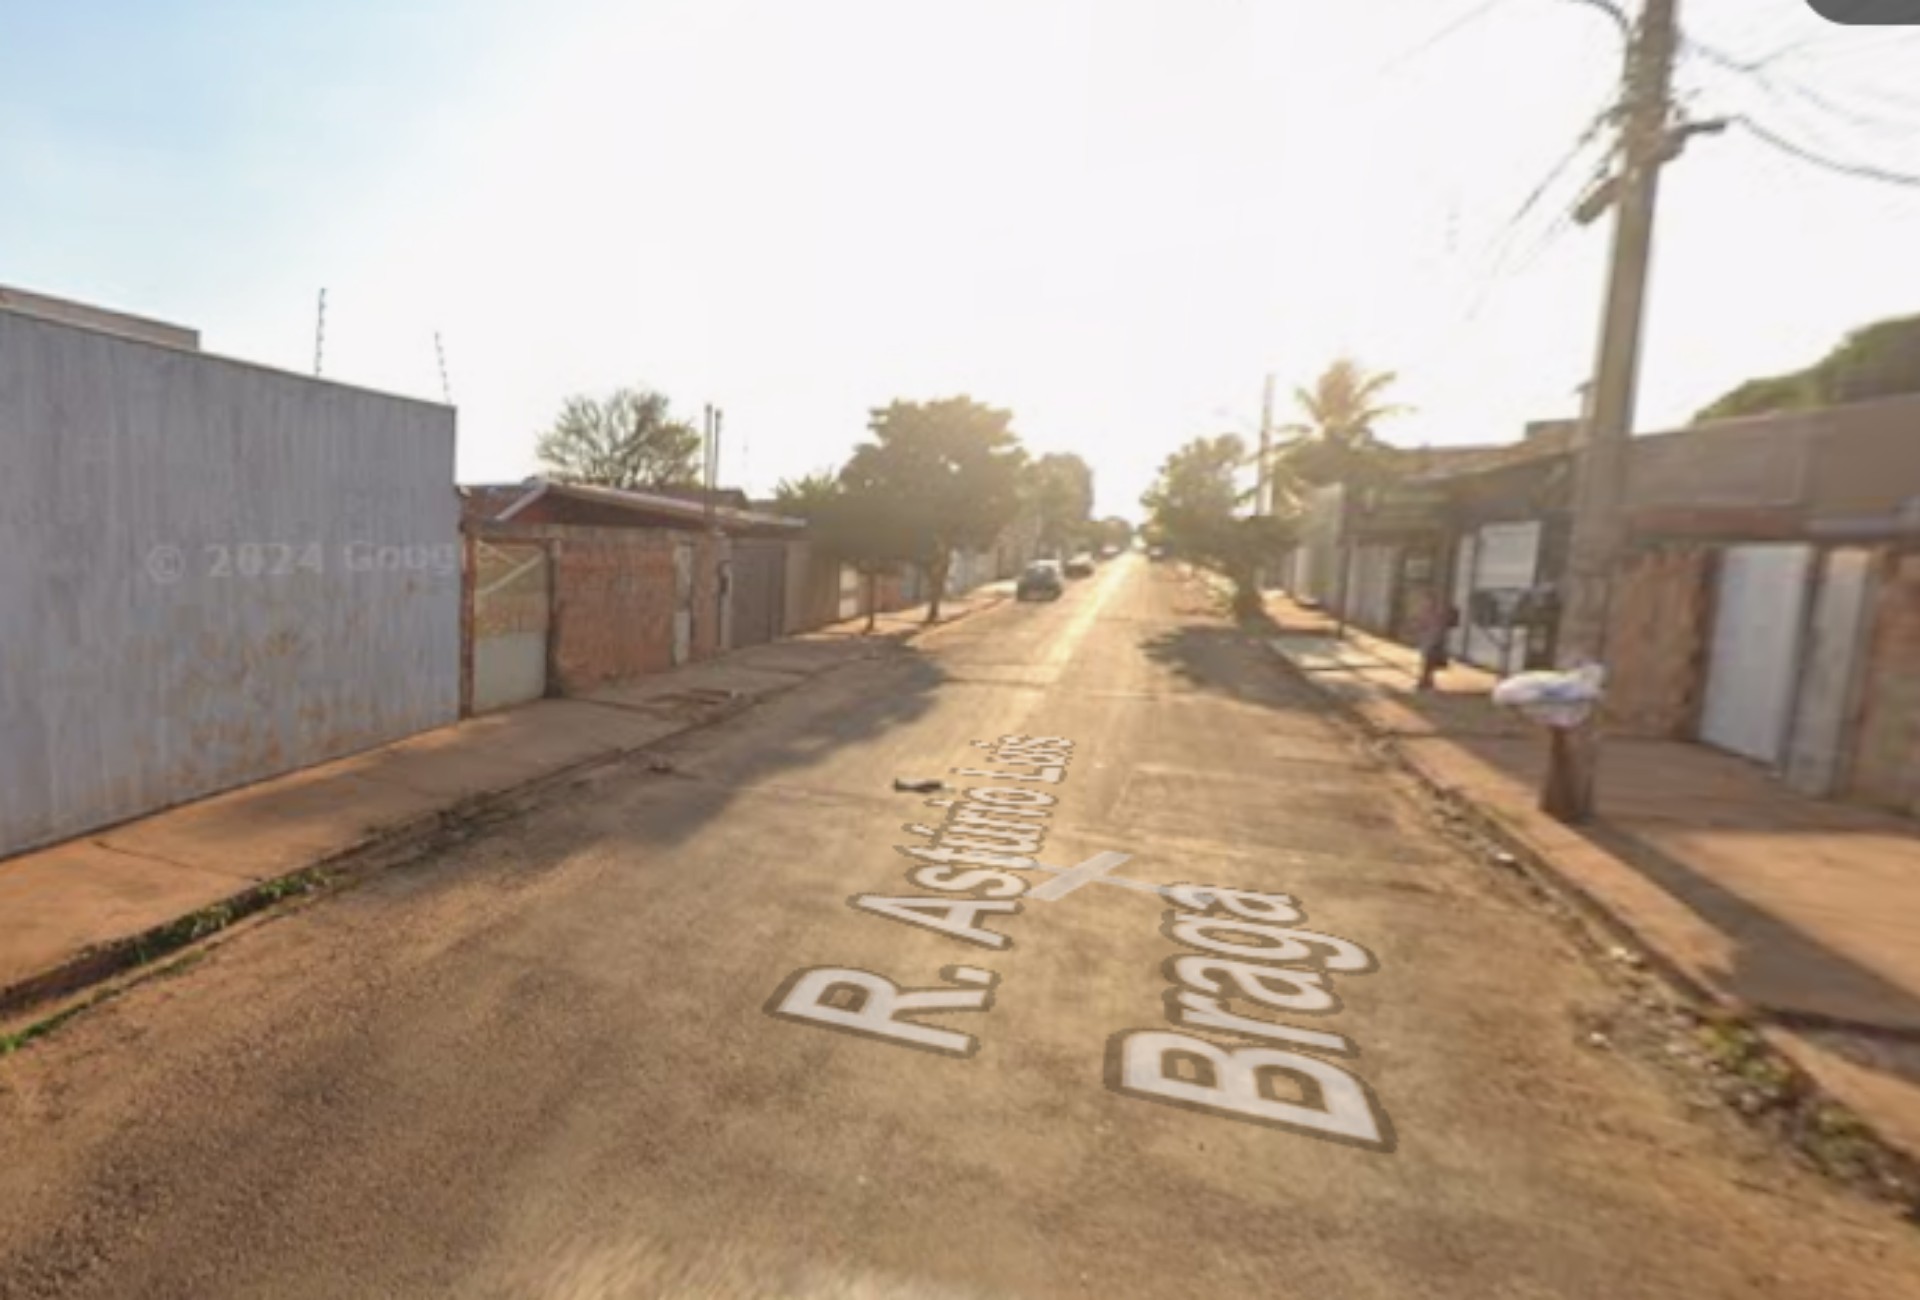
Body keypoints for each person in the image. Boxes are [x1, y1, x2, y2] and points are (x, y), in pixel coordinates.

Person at [1415, 594, 1458, 692]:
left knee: (1428, 662)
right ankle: (1427, 681)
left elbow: (1447, 626)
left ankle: (1425, 681)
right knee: (1428, 662)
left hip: (1433, 641)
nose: (1426, 604)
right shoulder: (1430, 614)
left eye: (1428, 602)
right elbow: (1421, 625)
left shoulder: (1437, 615)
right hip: (1430, 641)